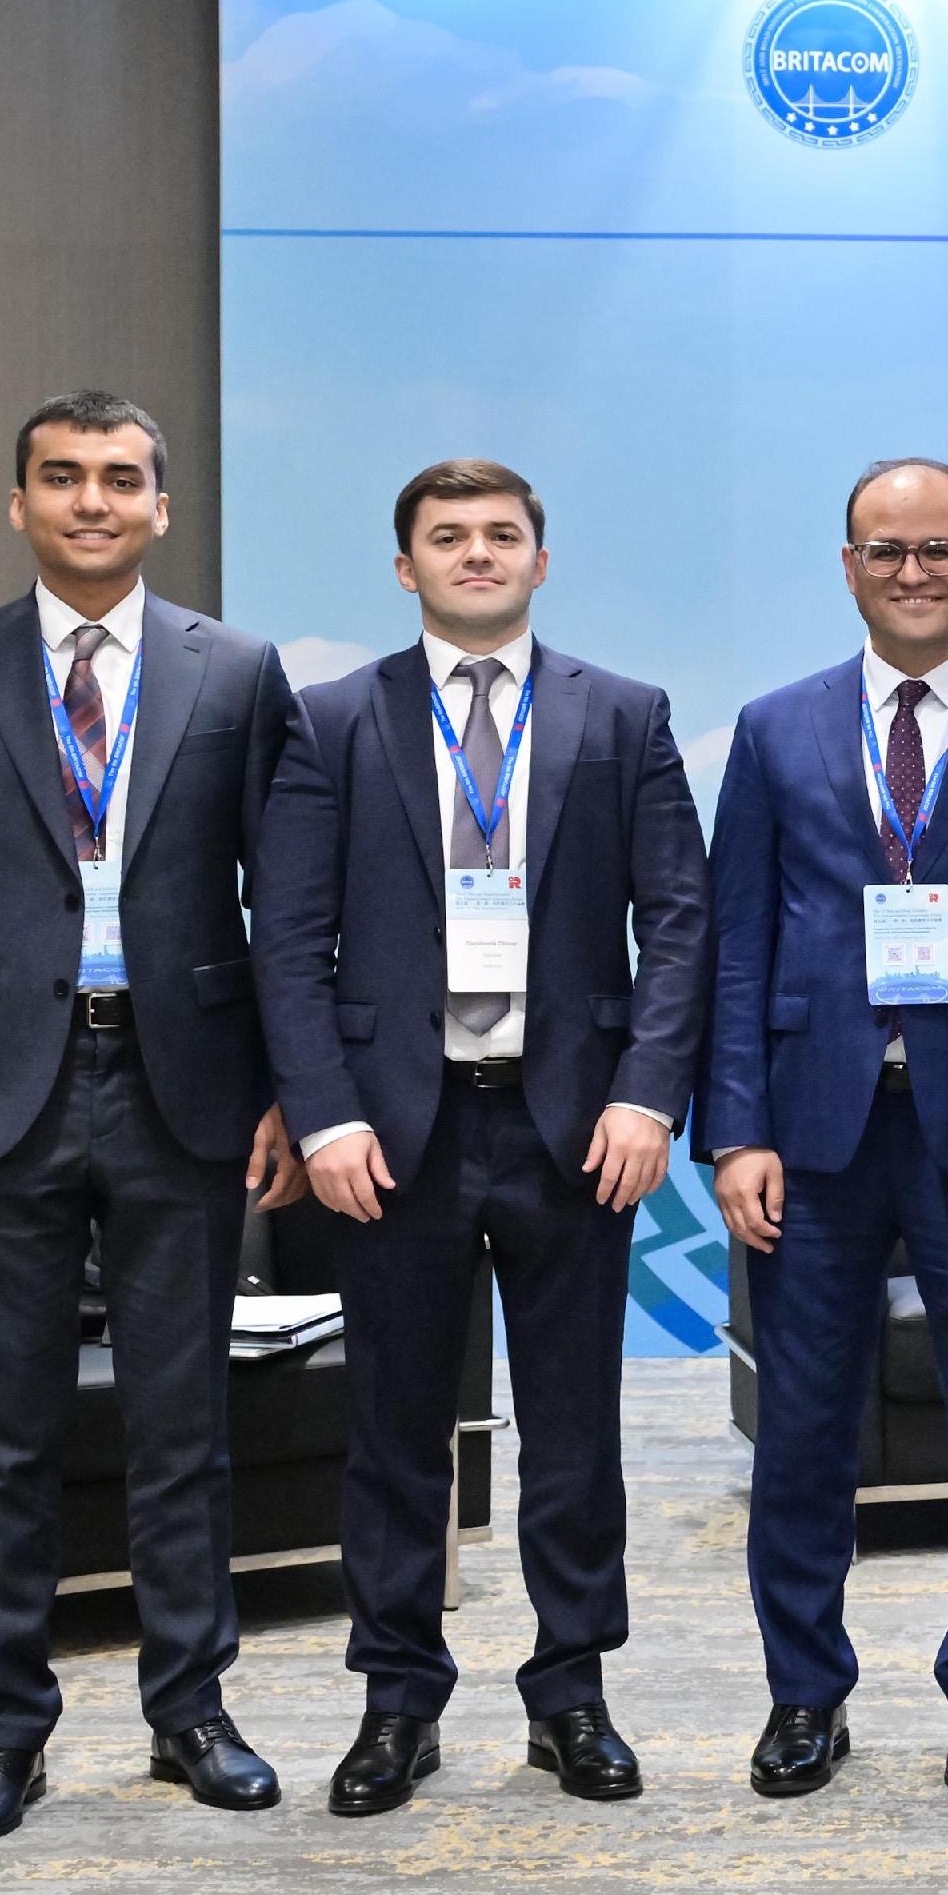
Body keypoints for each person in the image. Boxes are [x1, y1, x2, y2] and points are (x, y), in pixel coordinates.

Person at [0, 391, 308, 1845]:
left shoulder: (235, 673)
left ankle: (192, 1712)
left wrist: (299, 1084)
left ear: (163, 507)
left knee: (184, 1427)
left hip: (185, 1091)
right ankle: (6, 1732)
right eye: (62, 477)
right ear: (19, 502)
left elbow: (285, 909)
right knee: (8, 1434)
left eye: (121, 479)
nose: (92, 501)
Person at [251, 459, 709, 1816]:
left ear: (540, 560)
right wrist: (323, 1107)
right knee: (395, 1428)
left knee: (576, 1431)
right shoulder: (334, 720)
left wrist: (647, 1093)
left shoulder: (623, 716)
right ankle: (399, 1698)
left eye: (500, 534)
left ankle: (572, 1692)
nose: (475, 554)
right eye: (445, 537)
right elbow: (288, 939)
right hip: (395, 1131)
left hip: (576, 1126)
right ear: (406, 568)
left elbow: (680, 923)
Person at [703, 458, 948, 1802]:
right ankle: (805, 1692)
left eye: (938, 549)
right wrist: (733, 1126)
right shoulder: (777, 727)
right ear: (848, 564)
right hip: (811, 1131)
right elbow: (735, 942)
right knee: (803, 1426)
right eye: (885, 550)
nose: (912, 572)